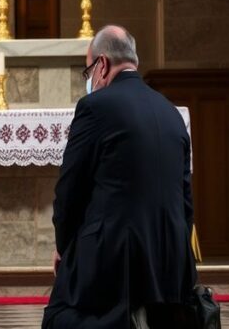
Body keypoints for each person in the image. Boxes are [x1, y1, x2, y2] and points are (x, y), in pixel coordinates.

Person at [42, 25, 197, 329]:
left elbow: (70, 189)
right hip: (171, 261)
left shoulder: (94, 107)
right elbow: (186, 199)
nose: (89, 82)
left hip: (115, 260)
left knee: (59, 315)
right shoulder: (171, 113)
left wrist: (64, 247)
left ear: (101, 65)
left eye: (88, 73)